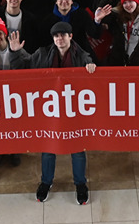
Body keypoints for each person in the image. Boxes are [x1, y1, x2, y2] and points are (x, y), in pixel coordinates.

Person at [26, 20, 97, 205]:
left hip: (74, 112)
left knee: (77, 149)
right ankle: (46, 182)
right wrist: (17, 51)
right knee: (49, 148)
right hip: (50, 111)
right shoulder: (43, 53)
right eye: (56, 36)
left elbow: (90, 63)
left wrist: (91, 67)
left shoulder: (81, 55)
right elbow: (25, 66)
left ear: (70, 37)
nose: (59, 39)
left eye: (63, 35)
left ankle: (81, 184)